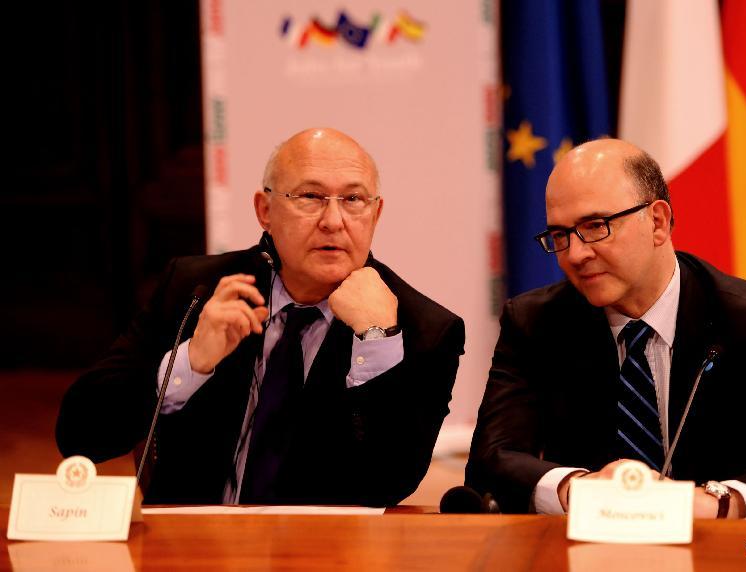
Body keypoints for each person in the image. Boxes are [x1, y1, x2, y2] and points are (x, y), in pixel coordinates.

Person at [57, 128, 465, 506]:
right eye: (310, 196)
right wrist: (191, 362)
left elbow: (391, 482)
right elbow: (81, 435)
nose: (334, 221)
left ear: (375, 215)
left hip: (330, 557)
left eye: (354, 200)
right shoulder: (195, 291)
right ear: (264, 209)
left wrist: (377, 344)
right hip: (191, 552)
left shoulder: (422, 328)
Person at [465, 138, 746, 518]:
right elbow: (490, 461)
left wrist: (717, 503)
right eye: (561, 235)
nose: (575, 254)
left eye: (595, 225)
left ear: (658, 222)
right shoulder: (535, 323)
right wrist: (575, 489)